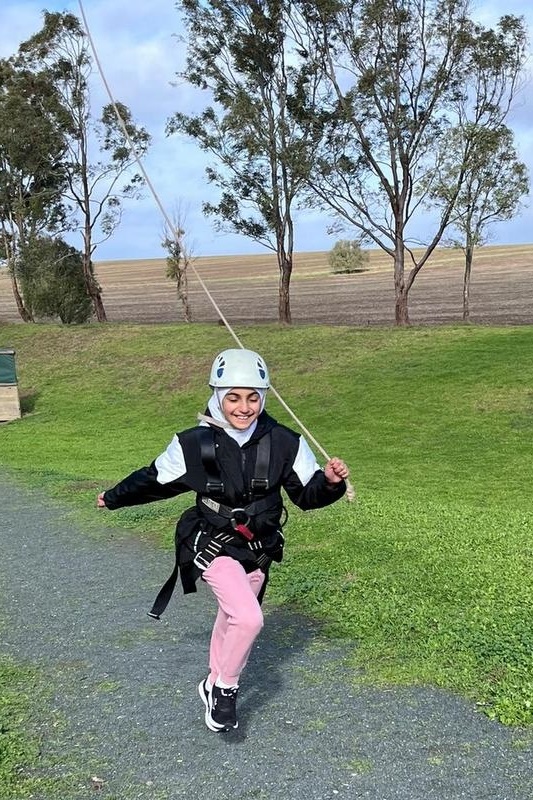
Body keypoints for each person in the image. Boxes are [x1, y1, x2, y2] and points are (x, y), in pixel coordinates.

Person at [97, 348, 349, 733]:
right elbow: (154, 479)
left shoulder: (285, 442)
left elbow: (306, 496)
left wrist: (330, 483)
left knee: (234, 617)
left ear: (263, 398)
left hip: (258, 548)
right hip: (210, 540)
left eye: (252, 397)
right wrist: (112, 497)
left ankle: (212, 679)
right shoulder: (193, 444)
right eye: (233, 397)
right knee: (248, 617)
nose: (243, 407)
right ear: (217, 396)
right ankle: (226, 690)